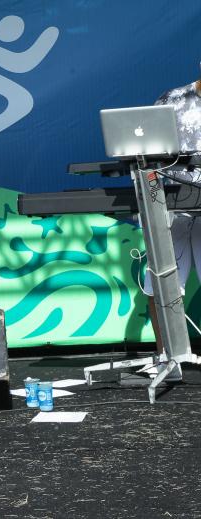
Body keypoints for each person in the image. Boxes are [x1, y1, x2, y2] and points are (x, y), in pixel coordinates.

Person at [143, 64, 201, 378]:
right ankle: (167, 358)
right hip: (174, 205)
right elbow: (144, 150)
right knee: (161, 284)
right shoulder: (173, 99)